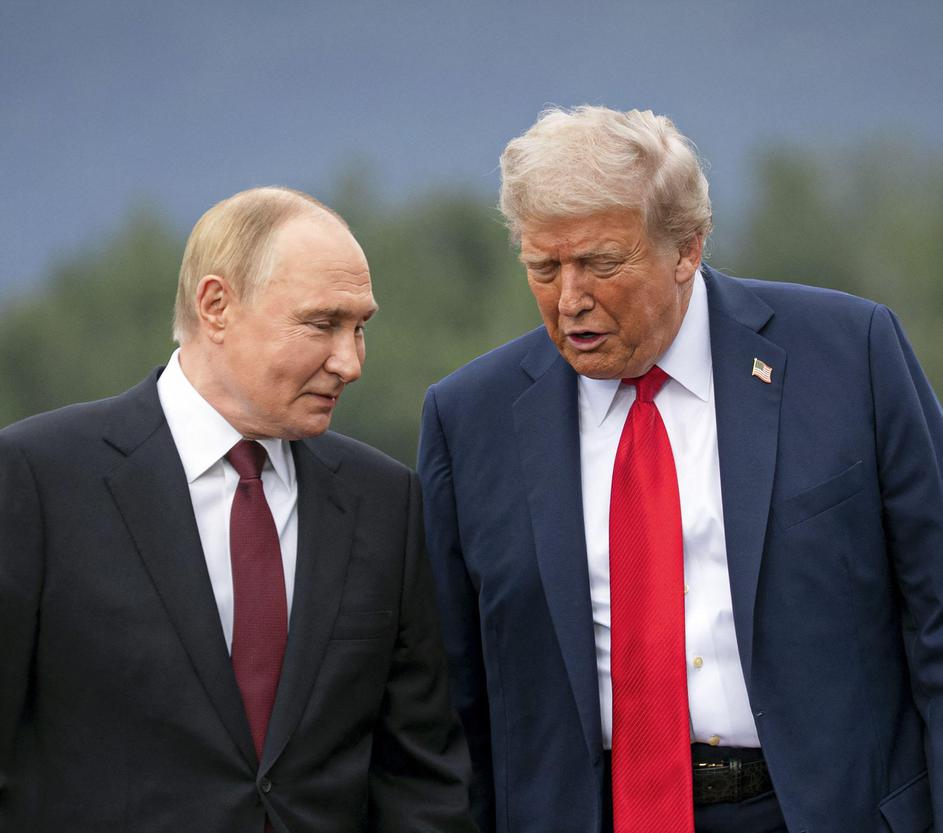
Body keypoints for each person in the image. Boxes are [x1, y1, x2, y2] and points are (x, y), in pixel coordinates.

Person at [418, 106, 943, 833]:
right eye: (543, 267)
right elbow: (454, 696)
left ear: (686, 249)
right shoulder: (469, 418)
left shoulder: (850, 355)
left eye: (601, 264)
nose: (570, 299)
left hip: (824, 810)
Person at [0, 186, 475, 833]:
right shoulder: (36, 477)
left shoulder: (385, 500)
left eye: (360, 327)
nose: (350, 362)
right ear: (216, 306)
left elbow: (421, 780)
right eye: (323, 324)